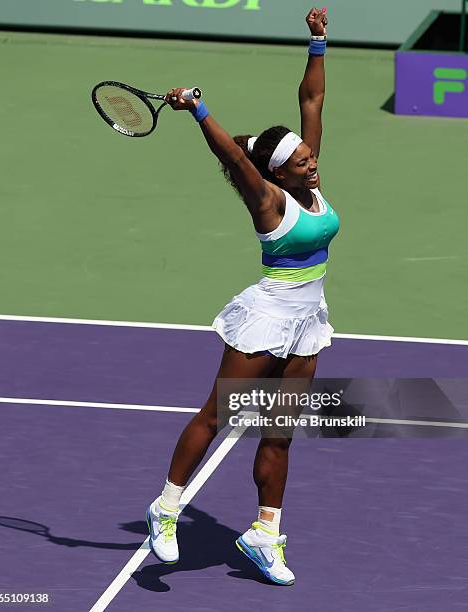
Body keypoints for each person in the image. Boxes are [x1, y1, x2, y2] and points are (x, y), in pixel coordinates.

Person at [146, 7, 336, 586]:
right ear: (280, 172)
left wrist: (317, 43)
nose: (314, 162)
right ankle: (168, 506)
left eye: (311, 156)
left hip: (309, 319)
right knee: (218, 414)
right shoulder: (269, 201)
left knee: (279, 432)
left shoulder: (307, 180)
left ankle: (264, 532)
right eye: (303, 160)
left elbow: (312, 101)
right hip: (268, 316)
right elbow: (232, 155)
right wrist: (199, 108)